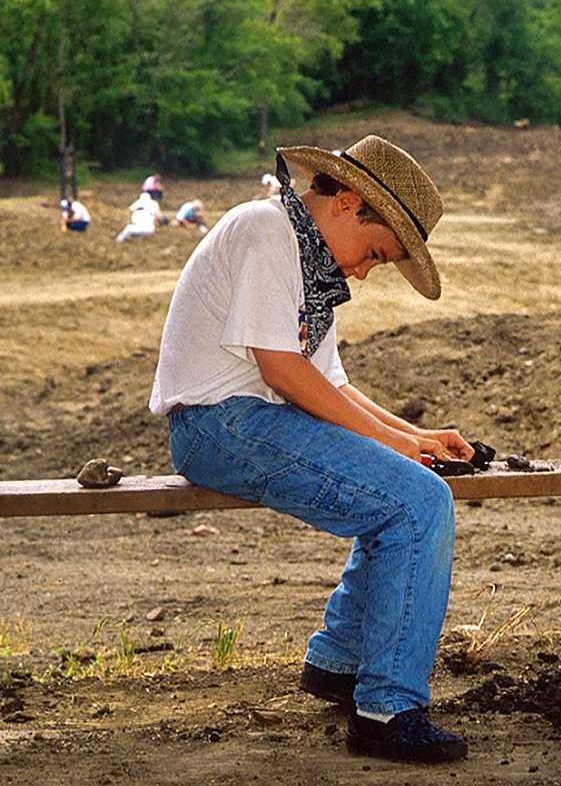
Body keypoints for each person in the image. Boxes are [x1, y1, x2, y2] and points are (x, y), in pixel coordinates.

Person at [148, 135, 471, 763]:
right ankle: (386, 710)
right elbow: (284, 374)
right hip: (219, 425)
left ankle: (338, 662)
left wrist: (416, 437)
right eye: (376, 254)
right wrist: (400, 449)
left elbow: (330, 385)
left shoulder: (307, 259)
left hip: (246, 422)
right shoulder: (265, 229)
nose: (364, 271)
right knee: (417, 504)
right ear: (348, 204)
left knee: (403, 495)